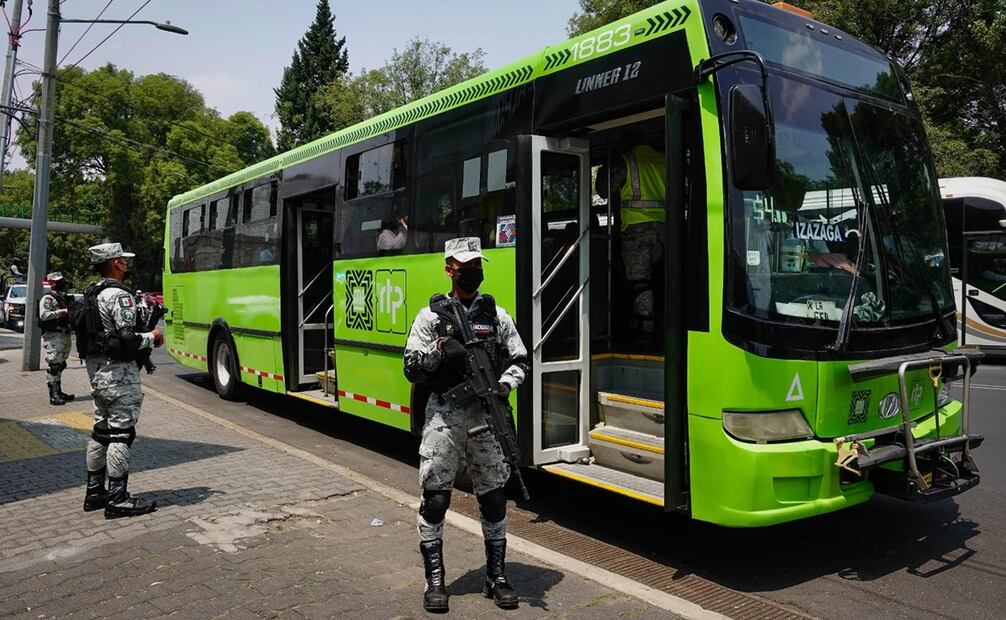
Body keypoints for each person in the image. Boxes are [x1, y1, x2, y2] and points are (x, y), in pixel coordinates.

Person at [403, 237, 529, 613]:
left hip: (486, 416)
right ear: (449, 269)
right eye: (464, 265)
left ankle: (496, 576)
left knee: (493, 498)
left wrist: (504, 385)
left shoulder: (497, 316)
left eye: (476, 263)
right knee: (436, 497)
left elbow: (520, 358)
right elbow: (410, 367)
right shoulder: (431, 317)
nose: (471, 270)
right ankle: (436, 581)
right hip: (445, 414)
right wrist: (440, 352)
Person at [81, 242, 164, 518]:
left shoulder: (93, 293)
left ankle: (94, 492)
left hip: (98, 374)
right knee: (121, 434)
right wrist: (152, 338)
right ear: (115, 263)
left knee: (100, 432)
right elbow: (126, 339)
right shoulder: (118, 295)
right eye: (122, 259)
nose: (126, 262)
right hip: (119, 376)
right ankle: (117, 498)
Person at [600, 134, 667, 335]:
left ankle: (645, 331)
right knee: (658, 279)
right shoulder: (663, 159)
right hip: (664, 230)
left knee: (640, 282)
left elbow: (604, 191)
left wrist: (606, 169)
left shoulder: (627, 160)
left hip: (637, 230)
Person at [38, 272, 75, 405]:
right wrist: (61, 312)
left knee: (61, 364)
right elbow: (43, 315)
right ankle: (53, 395)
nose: (62, 283)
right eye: (58, 281)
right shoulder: (48, 298)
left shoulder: (62, 297)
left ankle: (59, 391)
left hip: (64, 334)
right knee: (54, 365)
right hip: (54, 336)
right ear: (52, 283)